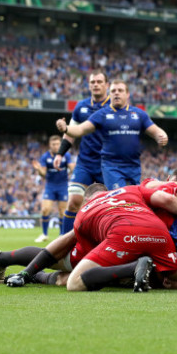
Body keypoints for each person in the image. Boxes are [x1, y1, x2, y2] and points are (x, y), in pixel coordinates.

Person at [56, 79, 168, 190]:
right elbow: (80, 130)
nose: (116, 93)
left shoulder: (139, 114)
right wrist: (66, 128)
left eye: (120, 90)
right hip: (112, 166)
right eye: (113, 91)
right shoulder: (101, 114)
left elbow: (156, 131)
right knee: (119, 197)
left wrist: (162, 136)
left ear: (127, 94)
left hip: (133, 166)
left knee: (132, 201)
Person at [53, 70, 109, 236]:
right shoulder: (81, 106)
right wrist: (60, 154)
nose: (96, 85)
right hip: (85, 163)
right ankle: (62, 245)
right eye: (93, 82)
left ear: (106, 85)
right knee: (74, 201)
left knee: (105, 207)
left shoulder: (113, 107)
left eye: (99, 81)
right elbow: (70, 132)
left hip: (107, 164)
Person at [32, 135, 75, 243]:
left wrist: (74, 166)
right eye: (54, 144)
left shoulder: (66, 155)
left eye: (58, 144)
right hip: (50, 186)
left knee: (62, 212)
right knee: (45, 209)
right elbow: (43, 174)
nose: (56, 146)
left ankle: (62, 235)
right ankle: (44, 234)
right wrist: (38, 170)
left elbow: (72, 168)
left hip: (63, 186)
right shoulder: (45, 157)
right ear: (49, 145)